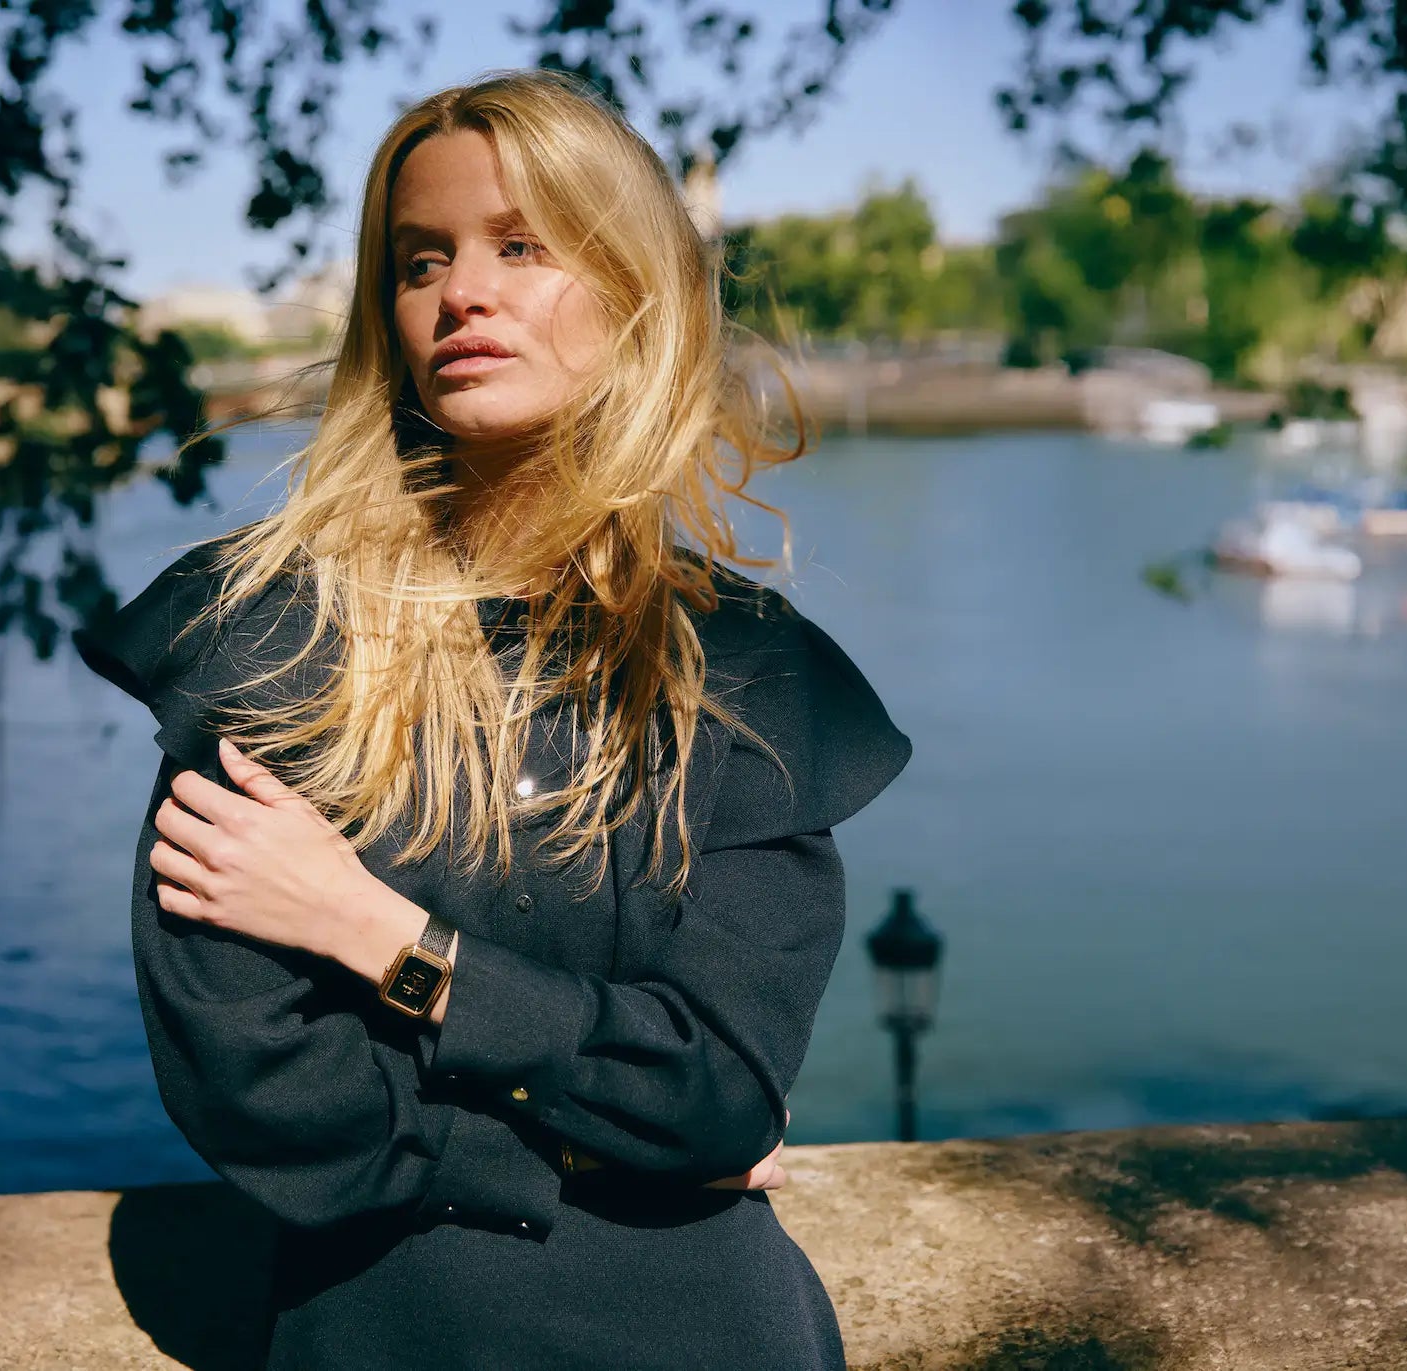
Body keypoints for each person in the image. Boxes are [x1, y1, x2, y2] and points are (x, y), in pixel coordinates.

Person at [71, 68, 912, 1371]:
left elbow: (717, 1095)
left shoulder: (744, 676)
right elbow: (257, 1094)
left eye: (522, 247)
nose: (463, 292)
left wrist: (382, 937)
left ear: (637, 296)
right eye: (422, 260)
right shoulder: (264, 643)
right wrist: (590, 1131)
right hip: (393, 1330)